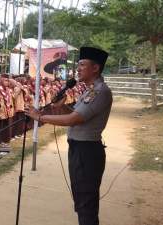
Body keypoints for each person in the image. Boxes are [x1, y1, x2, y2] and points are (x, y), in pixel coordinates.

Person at [25, 47, 112, 225]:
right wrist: (61, 107)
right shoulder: (88, 90)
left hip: (87, 152)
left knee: (86, 202)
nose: (78, 69)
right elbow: (77, 115)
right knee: (81, 199)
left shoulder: (99, 91)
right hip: (79, 150)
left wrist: (39, 116)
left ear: (95, 68)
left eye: (82, 65)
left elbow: (74, 119)